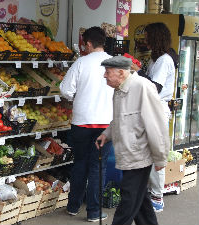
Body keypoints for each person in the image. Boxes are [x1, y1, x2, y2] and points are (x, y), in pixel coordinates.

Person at [96, 55, 170, 225]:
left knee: (128, 202)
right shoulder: (119, 89)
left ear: (121, 73)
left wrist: (160, 157)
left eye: (107, 72)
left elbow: (156, 125)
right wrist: (106, 134)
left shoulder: (142, 87)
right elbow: (120, 119)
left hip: (139, 156)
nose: (104, 76)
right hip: (128, 154)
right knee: (140, 201)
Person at [59, 26, 114, 222]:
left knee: (80, 163)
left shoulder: (80, 63)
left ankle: (73, 206)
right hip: (105, 125)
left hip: (81, 123)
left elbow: (65, 90)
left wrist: (77, 95)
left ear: (89, 43)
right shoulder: (113, 63)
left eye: (85, 44)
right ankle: (94, 212)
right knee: (98, 168)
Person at [131, 22, 178, 212]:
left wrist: (137, 71)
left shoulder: (164, 60)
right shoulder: (156, 59)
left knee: (155, 155)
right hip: (150, 111)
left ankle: (157, 197)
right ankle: (150, 192)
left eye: (148, 36)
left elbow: (155, 88)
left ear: (156, 37)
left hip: (157, 113)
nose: (145, 40)